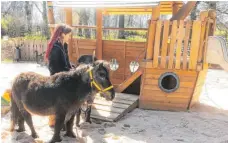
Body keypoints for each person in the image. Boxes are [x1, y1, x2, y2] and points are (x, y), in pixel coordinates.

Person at [45, 24, 72, 128]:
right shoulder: (55, 48)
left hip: (64, 76)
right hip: (56, 79)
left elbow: (66, 62)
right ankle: (54, 122)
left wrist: (71, 68)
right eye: (68, 35)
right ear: (62, 34)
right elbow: (54, 68)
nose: (70, 37)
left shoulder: (63, 45)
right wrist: (67, 72)